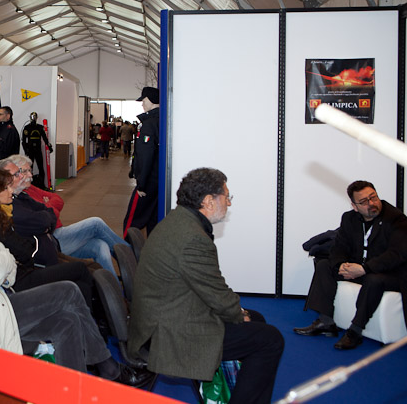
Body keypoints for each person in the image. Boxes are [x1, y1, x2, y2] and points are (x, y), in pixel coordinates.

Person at [0, 159, 150, 386]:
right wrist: (3, 264)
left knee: (66, 321)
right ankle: (108, 367)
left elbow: (2, 256)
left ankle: (76, 388)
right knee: (68, 290)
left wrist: (2, 264)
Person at [128, 168, 284, 404]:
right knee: (270, 339)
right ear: (208, 201)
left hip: (164, 316)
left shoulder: (179, 220)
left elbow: (209, 287)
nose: (229, 203)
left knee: (257, 321)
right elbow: (217, 294)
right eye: (226, 196)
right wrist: (239, 314)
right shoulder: (193, 238)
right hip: (169, 333)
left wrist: (239, 313)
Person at [294, 180, 407, 350]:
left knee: (373, 280)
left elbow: (396, 255)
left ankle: (355, 331)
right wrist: (340, 265)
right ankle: (326, 321)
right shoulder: (349, 218)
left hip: (390, 274)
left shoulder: (396, 219)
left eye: (373, 197)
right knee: (325, 265)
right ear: (355, 206)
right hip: (359, 269)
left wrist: (364, 269)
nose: (371, 204)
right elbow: (338, 247)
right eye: (364, 202)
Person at [0, 165, 93, 306]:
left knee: (85, 277)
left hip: (28, 267)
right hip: (22, 277)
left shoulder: (1, 212)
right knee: (81, 268)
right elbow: (24, 250)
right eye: (6, 188)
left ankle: (99, 319)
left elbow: (48, 213)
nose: (11, 190)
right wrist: (36, 236)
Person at [0, 155, 130, 276]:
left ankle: (114, 291)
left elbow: (57, 201)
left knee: (101, 245)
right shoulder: (17, 199)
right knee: (96, 223)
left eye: (28, 171)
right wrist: (46, 212)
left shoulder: (28, 190)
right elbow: (44, 219)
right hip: (54, 239)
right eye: (23, 172)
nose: (28, 175)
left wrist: (47, 210)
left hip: (56, 235)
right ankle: (129, 254)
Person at [123, 86, 160, 237]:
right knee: (154, 221)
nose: (142, 104)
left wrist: (141, 184)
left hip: (148, 182)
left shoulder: (149, 124)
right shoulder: (161, 121)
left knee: (132, 223)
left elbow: (145, 156)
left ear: (151, 101)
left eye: (144, 100)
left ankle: (127, 255)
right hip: (158, 181)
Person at [21, 112, 52, 187]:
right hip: (30, 150)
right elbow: (23, 141)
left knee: (41, 167)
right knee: (29, 168)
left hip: (38, 149)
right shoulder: (27, 127)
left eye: (34, 117)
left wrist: (49, 146)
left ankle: (42, 185)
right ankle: (29, 185)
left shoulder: (40, 127)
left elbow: (45, 138)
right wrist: (26, 151)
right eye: (32, 117)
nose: (33, 119)